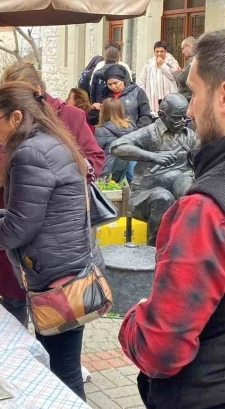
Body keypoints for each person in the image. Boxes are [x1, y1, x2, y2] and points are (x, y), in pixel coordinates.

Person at [0, 81, 103, 401]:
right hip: (68, 270)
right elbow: (32, 212)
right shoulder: (50, 141)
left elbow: (18, 230)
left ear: (16, 117)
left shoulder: (30, 152)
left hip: (57, 282)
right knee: (64, 365)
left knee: (63, 373)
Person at [119, 29, 225, 409]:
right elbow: (120, 145)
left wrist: (134, 317)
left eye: (195, 94)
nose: (191, 110)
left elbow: (160, 349)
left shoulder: (205, 210)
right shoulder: (155, 133)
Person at [0, 62, 104, 327]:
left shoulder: (71, 117)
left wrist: (54, 169)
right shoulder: (1, 117)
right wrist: (10, 166)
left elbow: (94, 160)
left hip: (56, 239)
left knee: (58, 321)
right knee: (13, 303)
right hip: (10, 218)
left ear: (38, 91)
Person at [110, 93, 197, 246]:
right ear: (162, 115)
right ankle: (155, 249)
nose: (182, 122)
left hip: (177, 188)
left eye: (185, 117)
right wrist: (152, 156)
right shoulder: (149, 133)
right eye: (177, 118)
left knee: (189, 191)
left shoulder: (189, 136)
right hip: (145, 196)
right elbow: (116, 147)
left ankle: (184, 245)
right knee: (163, 198)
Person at [91, 64, 153, 182]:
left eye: (116, 83)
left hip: (133, 138)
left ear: (123, 80)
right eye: (110, 84)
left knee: (133, 175)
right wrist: (94, 110)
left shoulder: (137, 92)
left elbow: (145, 116)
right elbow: (97, 117)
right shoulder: (104, 94)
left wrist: (135, 134)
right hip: (109, 138)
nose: (113, 87)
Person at [95, 98, 136, 178]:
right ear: (121, 110)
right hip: (125, 174)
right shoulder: (131, 128)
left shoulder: (101, 131)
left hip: (107, 174)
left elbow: (96, 154)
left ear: (103, 112)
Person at [137, 41, 180, 114]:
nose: (159, 54)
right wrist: (144, 96)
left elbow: (173, 77)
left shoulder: (172, 62)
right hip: (153, 97)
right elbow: (141, 82)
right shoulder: (149, 64)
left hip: (168, 96)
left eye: (161, 51)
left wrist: (163, 65)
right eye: (157, 52)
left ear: (166, 51)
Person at [174, 36, 197, 101]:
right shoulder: (199, 58)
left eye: (183, 48)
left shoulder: (194, 60)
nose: (183, 52)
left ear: (189, 47)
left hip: (188, 98)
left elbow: (182, 79)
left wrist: (175, 72)